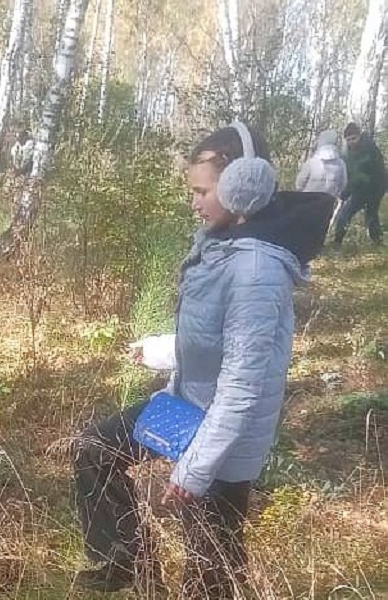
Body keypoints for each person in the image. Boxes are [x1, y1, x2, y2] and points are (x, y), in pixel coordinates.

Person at [72, 123, 335, 597]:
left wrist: (193, 469)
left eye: (202, 191)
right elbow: (214, 337)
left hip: (224, 437)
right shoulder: (221, 245)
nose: (194, 202)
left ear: (242, 187)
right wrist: (161, 349)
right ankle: (124, 562)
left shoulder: (256, 270)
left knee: (210, 571)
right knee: (96, 450)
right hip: (188, 406)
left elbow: (241, 388)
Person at [332, 122, 386, 247]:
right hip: (359, 189)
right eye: (348, 140)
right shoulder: (347, 153)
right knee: (347, 214)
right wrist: (345, 190)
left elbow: (372, 172)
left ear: (359, 136)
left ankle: (377, 241)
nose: (351, 142)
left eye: (354, 138)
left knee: (369, 214)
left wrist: (348, 191)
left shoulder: (369, 148)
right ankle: (337, 242)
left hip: (375, 188)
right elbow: (349, 174)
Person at [295, 129, 347, 198]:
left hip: (308, 201)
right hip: (328, 202)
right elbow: (342, 185)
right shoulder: (341, 164)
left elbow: (299, 184)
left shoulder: (311, 163)